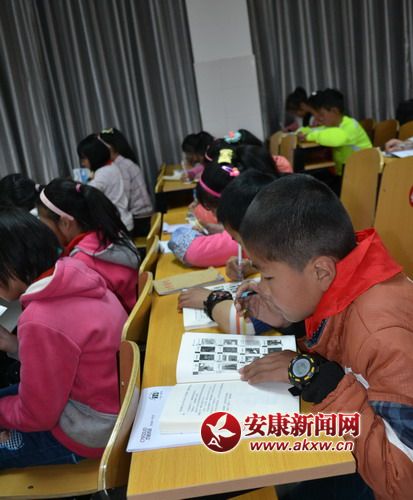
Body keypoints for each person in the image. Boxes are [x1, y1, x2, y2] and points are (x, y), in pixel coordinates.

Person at [236, 174, 413, 499]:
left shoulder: (380, 334)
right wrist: (288, 322)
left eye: (268, 276)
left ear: (320, 271)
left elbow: (402, 483)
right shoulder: (346, 286)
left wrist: (321, 381)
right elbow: (342, 347)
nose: (262, 286)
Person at [0, 208, 127, 469]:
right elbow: (65, 354)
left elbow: (37, 416)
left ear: (10, 266)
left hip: (88, 431)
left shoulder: (40, 319)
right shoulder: (76, 274)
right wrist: (13, 345)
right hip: (111, 409)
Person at [37, 178, 139, 312]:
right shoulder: (107, 232)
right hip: (134, 309)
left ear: (65, 223)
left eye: (45, 225)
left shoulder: (81, 262)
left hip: (123, 317)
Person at [168, 147, 280, 267]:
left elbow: (194, 252)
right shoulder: (269, 214)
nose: (214, 215)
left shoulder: (253, 235)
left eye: (211, 208)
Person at [297, 89, 372, 177]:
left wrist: (308, 136)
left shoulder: (351, 125)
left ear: (334, 111)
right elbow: (316, 130)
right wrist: (301, 132)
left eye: (322, 115)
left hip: (363, 174)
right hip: (345, 173)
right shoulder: (332, 125)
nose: (318, 118)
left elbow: (337, 138)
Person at [99, 128, 153, 236]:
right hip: (144, 216)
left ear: (109, 147)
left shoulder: (120, 166)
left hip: (140, 220)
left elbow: (123, 199)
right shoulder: (124, 161)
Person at [77, 134, 133, 231]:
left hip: (118, 225)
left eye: (83, 158)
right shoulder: (110, 166)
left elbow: (86, 195)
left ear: (93, 156)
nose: (82, 163)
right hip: (123, 219)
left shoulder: (103, 173)